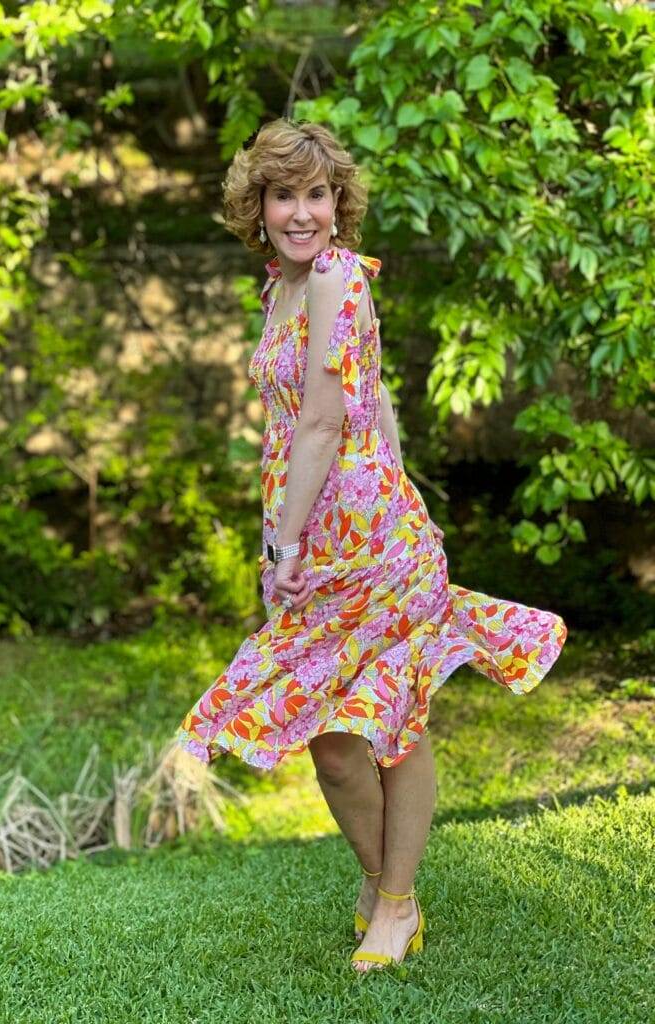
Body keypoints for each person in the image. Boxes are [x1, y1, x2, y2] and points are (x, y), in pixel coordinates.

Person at [174, 118, 568, 974]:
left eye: (318, 194)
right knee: (331, 743)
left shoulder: (337, 280)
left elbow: (322, 421)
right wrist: (280, 538)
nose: (303, 211)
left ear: (338, 203)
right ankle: (388, 885)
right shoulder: (281, 286)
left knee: (392, 728)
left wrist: (286, 546)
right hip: (317, 538)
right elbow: (336, 414)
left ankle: (393, 907)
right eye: (286, 195)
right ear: (260, 205)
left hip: (369, 544)